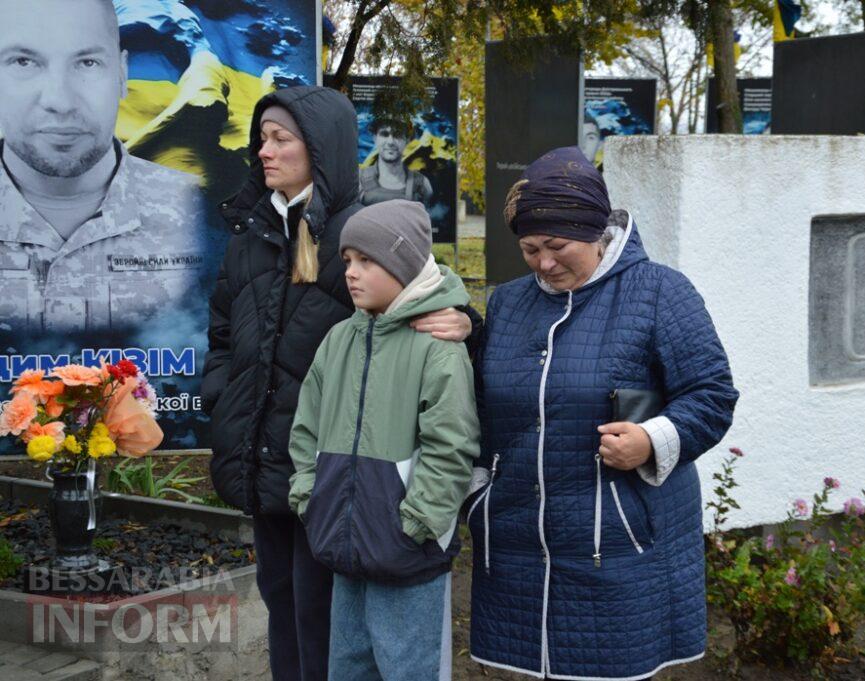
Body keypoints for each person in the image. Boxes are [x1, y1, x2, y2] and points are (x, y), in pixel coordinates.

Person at [201, 87, 476, 681]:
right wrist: (223, 398)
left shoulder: (362, 231)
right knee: (281, 602)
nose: (263, 151)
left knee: (326, 622)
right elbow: (222, 332)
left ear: (319, 149)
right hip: (264, 457)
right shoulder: (250, 230)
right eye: (262, 138)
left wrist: (468, 321)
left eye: (280, 139)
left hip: (340, 471)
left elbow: (425, 294)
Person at [467, 146, 739, 680]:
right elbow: (483, 406)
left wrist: (652, 439)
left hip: (617, 544)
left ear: (596, 232)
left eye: (557, 246)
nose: (544, 263)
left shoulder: (659, 291)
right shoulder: (508, 303)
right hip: (515, 543)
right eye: (529, 249)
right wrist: (479, 495)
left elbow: (712, 394)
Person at [289, 199, 479, 681]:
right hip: (343, 539)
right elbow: (306, 427)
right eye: (348, 260)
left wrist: (418, 523)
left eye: (367, 261)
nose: (351, 272)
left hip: (408, 550)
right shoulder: (338, 340)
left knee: (408, 669)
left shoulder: (438, 349)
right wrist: (311, 497)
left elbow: (451, 447)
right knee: (348, 667)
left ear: (404, 264)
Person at [0, 0, 204, 334]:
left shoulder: (205, 216)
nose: (60, 102)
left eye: (87, 63)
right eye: (24, 62)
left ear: (122, 75)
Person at [358, 118, 433, 207]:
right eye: (384, 134)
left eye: (398, 135)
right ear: (375, 138)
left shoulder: (422, 185)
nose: (390, 142)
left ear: (408, 140)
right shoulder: (358, 180)